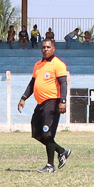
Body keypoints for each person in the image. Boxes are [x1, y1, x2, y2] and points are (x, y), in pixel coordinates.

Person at [16, 39, 71, 173]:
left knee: (47, 133)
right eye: (43, 47)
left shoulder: (58, 64)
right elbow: (32, 83)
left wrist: (63, 101)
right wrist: (24, 97)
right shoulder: (38, 65)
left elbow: (63, 83)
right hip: (40, 103)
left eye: (48, 47)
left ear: (53, 48)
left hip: (52, 102)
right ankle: (62, 151)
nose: (45, 49)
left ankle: (50, 166)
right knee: (37, 133)